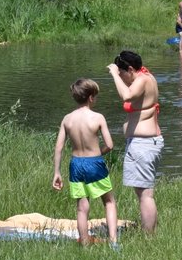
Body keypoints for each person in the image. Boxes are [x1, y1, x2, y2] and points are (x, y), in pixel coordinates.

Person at [52, 78, 119, 249]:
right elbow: (110, 145)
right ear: (90, 97)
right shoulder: (97, 117)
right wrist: (99, 153)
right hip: (94, 163)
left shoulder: (67, 119)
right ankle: (113, 242)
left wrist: (57, 172)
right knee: (109, 201)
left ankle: (84, 242)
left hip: (76, 164)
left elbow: (59, 147)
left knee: (82, 207)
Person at [107, 50, 162, 234]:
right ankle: (149, 232)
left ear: (130, 69)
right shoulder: (148, 77)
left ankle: (148, 237)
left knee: (145, 194)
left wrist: (114, 74)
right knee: (143, 193)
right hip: (145, 143)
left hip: (143, 144)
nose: (122, 78)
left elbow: (127, 96)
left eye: (123, 73)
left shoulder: (143, 79)